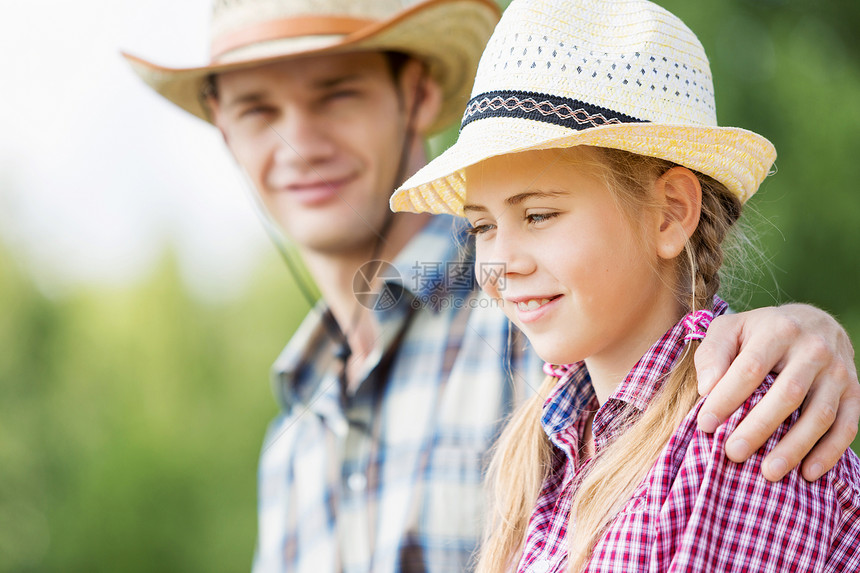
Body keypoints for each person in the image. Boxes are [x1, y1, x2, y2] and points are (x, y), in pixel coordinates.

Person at [123, 0, 859, 571]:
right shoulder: (293, 441)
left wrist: (803, 332)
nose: (298, 143)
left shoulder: (539, 335)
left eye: (337, 94)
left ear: (414, 94)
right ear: (221, 127)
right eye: (257, 109)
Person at [389, 0, 860, 571]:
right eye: (483, 226)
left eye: (538, 216)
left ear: (668, 215)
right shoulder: (552, 446)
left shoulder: (735, 429)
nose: (501, 263)